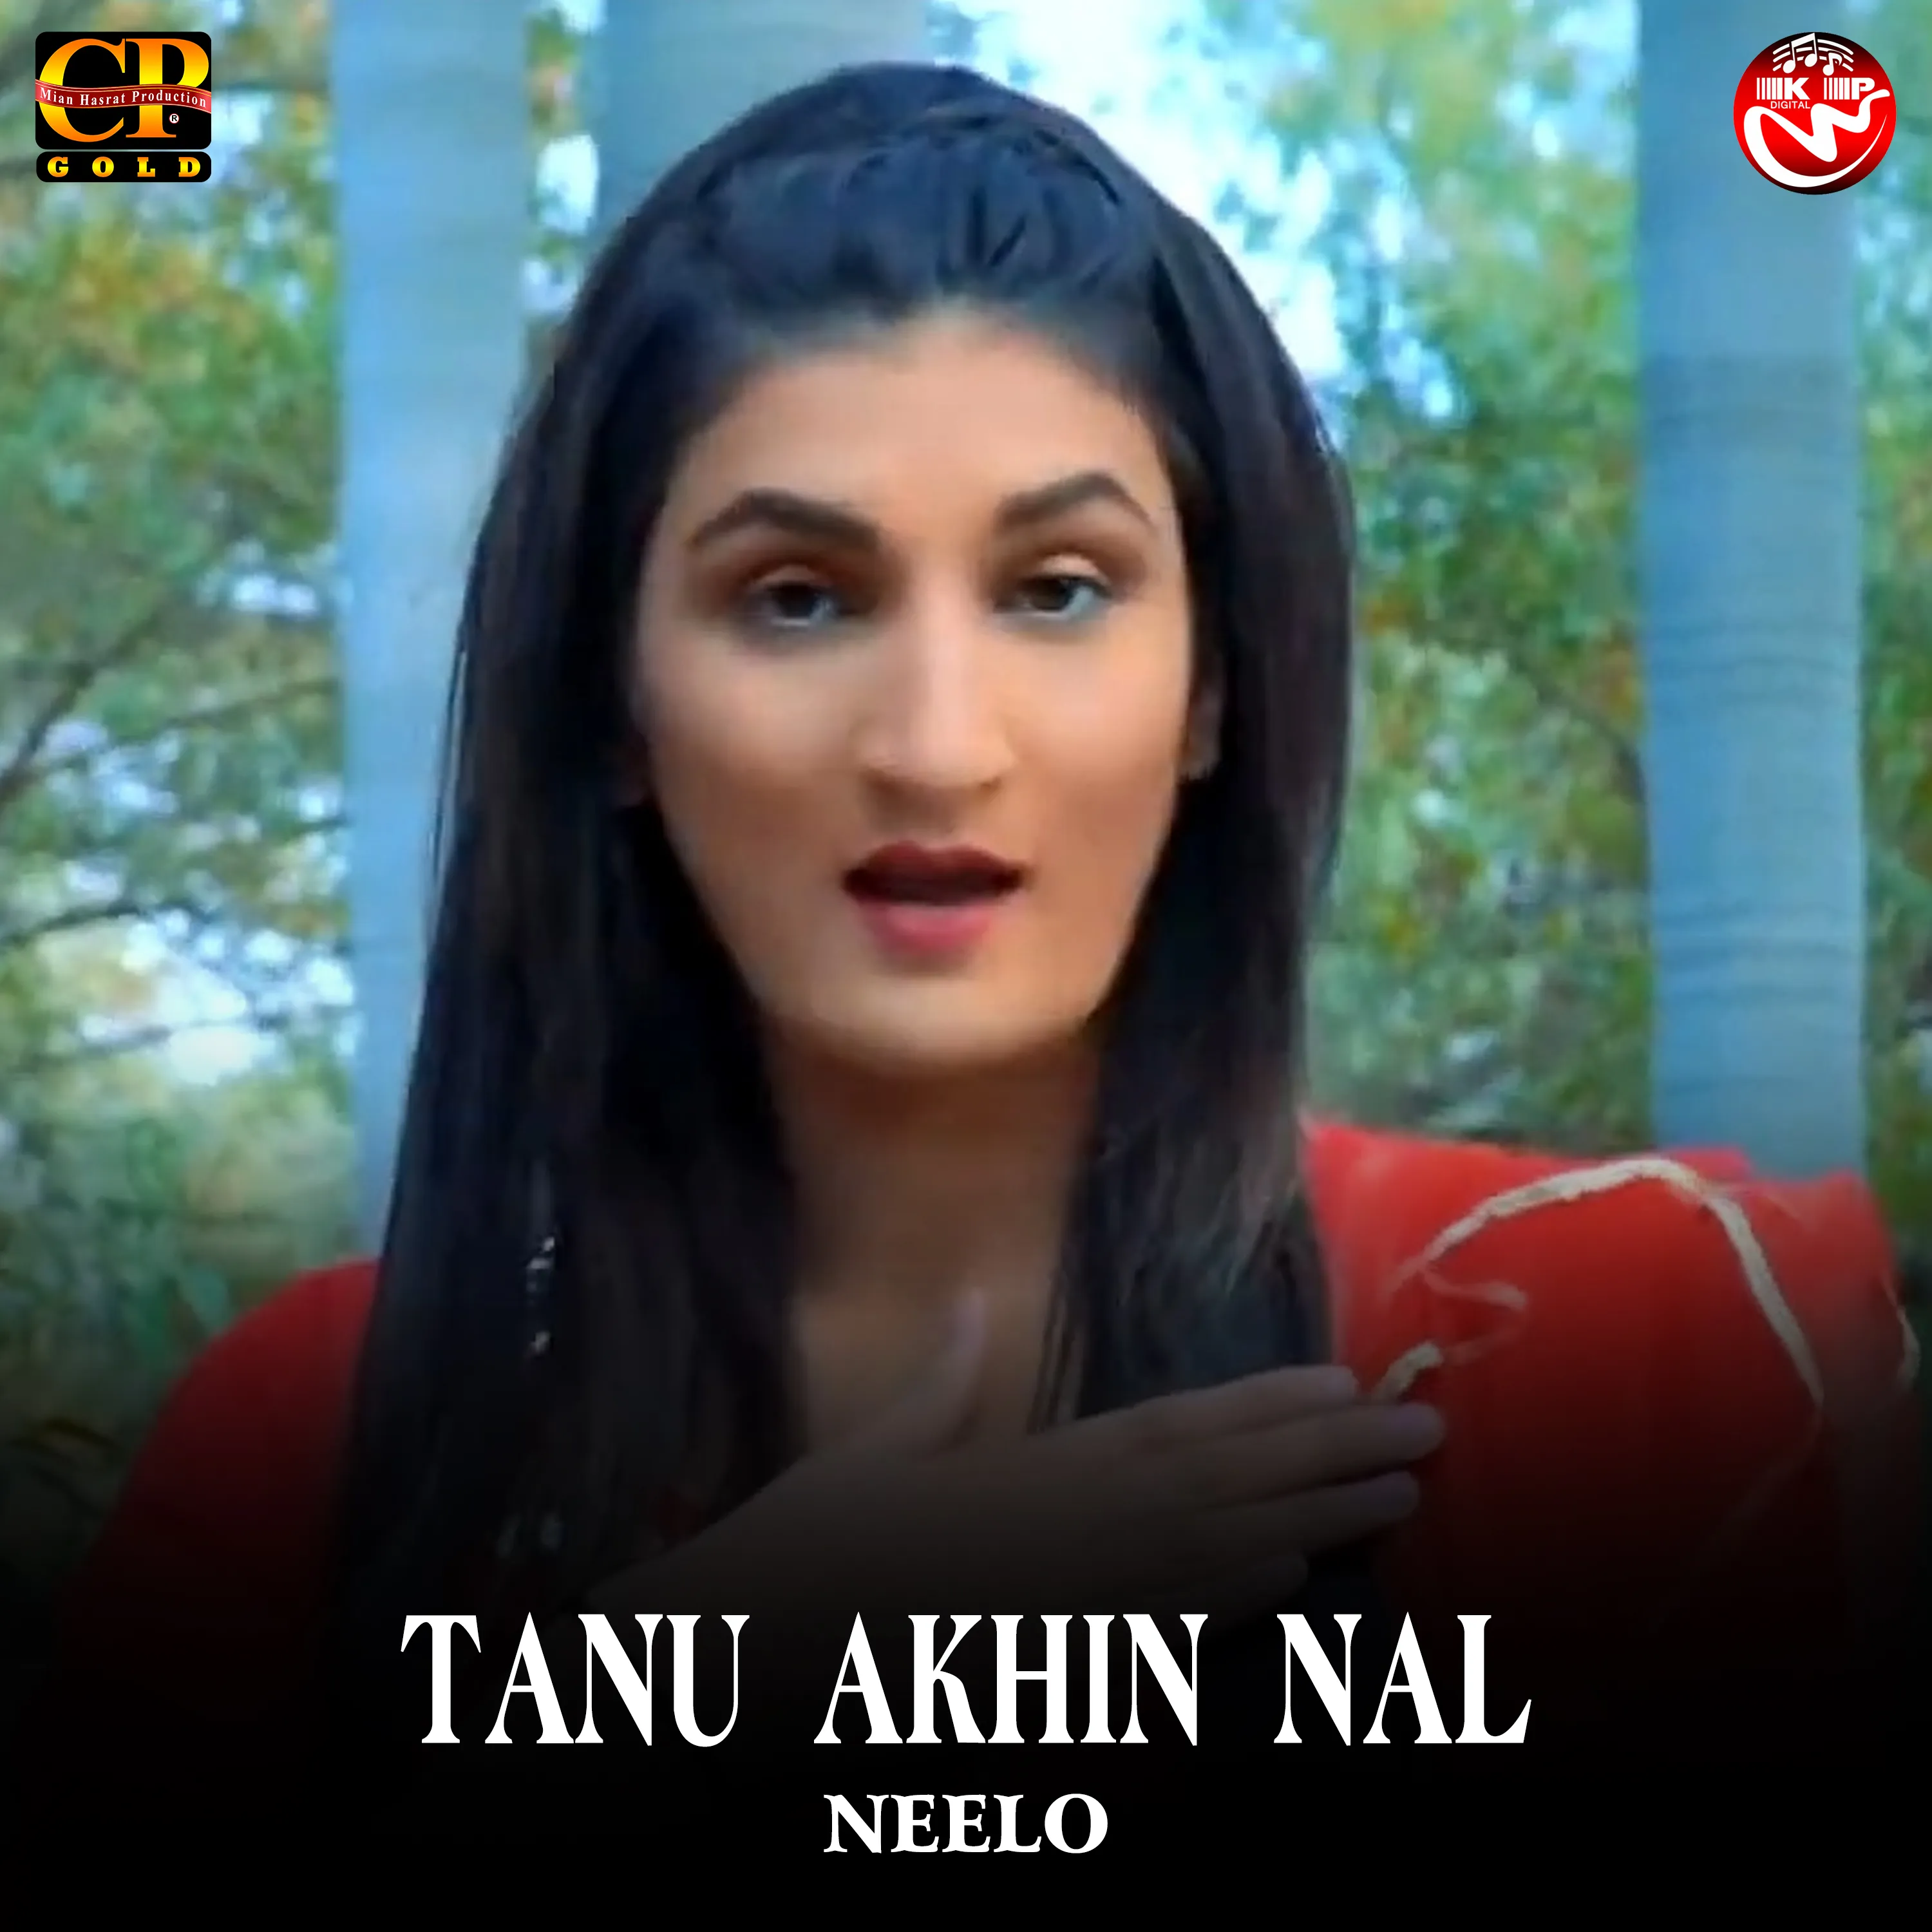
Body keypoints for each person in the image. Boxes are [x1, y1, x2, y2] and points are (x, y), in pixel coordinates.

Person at [17, 62, 1920, 1817]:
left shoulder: (1630, 1353)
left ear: (1212, 685)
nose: (936, 745)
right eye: (795, 599)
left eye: (1059, 589)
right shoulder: (304, 1455)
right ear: (612, 705)